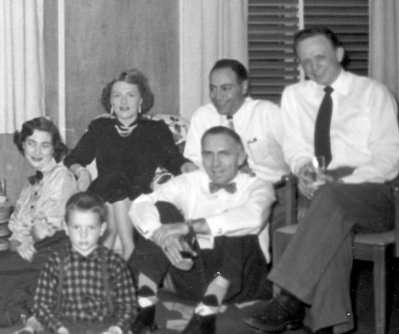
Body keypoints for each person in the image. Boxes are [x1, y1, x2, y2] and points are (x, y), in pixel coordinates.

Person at [244, 26, 399, 334]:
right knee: (332, 228)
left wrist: (340, 185)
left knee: (329, 201)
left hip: (373, 194)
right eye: (306, 62)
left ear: (339, 54)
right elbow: (296, 148)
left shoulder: (372, 92)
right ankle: (330, 327)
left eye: (320, 58)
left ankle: (289, 298)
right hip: (325, 196)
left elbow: (389, 159)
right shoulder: (294, 95)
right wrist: (304, 169)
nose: (313, 68)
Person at [128, 126, 275, 334]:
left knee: (232, 225)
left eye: (224, 154)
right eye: (208, 154)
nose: (215, 163)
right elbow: (141, 204)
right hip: (194, 273)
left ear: (241, 157)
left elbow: (254, 216)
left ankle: (206, 314)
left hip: (242, 280)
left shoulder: (259, 186)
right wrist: (160, 235)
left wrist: (190, 227)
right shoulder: (190, 181)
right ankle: (145, 306)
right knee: (161, 210)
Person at [64, 69, 190, 260]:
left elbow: (172, 159)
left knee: (118, 180)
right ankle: (128, 247)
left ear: (140, 101)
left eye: (130, 95)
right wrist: (81, 171)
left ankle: (105, 253)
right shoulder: (100, 128)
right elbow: (73, 158)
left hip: (137, 196)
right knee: (114, 179)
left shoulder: (155, 129)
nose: (124, 101)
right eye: (117, 96)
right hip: (103, 193)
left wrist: (187, 167)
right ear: (111, 102)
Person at [183, 59, 290, 252]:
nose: (217, 96)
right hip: (218, 191)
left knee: (248, 222)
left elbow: (296, 154)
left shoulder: (266, 113)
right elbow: (195, 163)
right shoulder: (203, 116)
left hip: (272, 193)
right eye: (213, 88)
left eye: (226, 88)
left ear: (244, 86)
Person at [0, 117, 78, 327]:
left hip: (56, 250)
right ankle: (22, 310)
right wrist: (19, 245)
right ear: (22, 145)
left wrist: (27, 241)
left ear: (54, 149)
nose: (36, 151)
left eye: (45, 145)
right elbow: (15, 232)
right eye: (31, 143)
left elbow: (47, 230)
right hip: (32, 252)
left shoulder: (62, 177)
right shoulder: (27, 190)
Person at [28, 192, 136, 334]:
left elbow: (128, 306)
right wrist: (58, 328)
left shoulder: (115, 264)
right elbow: (41, 304)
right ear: (66, 228)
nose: (83, 234)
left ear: (102, 229)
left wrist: (116, 329)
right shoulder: (55, 262)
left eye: (91, 228)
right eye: (76, 227)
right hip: (64, 328)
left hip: (105, 329)